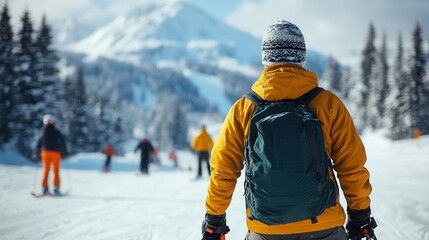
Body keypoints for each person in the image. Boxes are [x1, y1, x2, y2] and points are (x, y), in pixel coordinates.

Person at [201, 20, 376, 240]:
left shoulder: (244, 108)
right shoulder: (327, 104)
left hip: (265, 228)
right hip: (324, 225)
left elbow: (224, 170)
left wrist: (214, 219)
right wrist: (360, 216)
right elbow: (351, 166)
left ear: (266, 58)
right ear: (301, 56)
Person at [36, 114, 68, 196]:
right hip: (54, 153)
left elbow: (39, 143)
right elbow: (62, 141)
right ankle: (54, 188)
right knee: (54, 171)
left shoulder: (42, 131)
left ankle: (46, 188)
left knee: (47, 170)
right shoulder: (56, 131)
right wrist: (64, 151)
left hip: (46, 152)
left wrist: (38, 152)